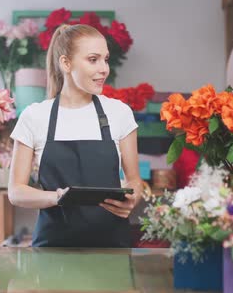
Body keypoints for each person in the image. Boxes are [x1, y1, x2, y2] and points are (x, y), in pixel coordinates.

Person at [8, 24, 143, 248]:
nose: (104, 69)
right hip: (53, 250)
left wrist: (133, 199)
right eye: (93, 59)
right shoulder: (35, 116)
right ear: (66, 63)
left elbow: (135, 181)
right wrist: (58, 197)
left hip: (112, 247)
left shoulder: (119, 113)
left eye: (105, 59)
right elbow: (16, 191)